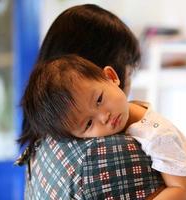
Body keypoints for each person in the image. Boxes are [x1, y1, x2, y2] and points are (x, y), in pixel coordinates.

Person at [16, 4, 165, 199]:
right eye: (129, 71)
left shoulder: (47, 139)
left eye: (100, 100)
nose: (104, 116)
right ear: (110, 73)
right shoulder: (110, 152)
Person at [22, 54, 186, 200]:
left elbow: (182, 190)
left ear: (111, 77)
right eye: (89, 124)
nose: (104, 116)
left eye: (98, 100)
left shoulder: (158, 135)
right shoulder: (120, 119)